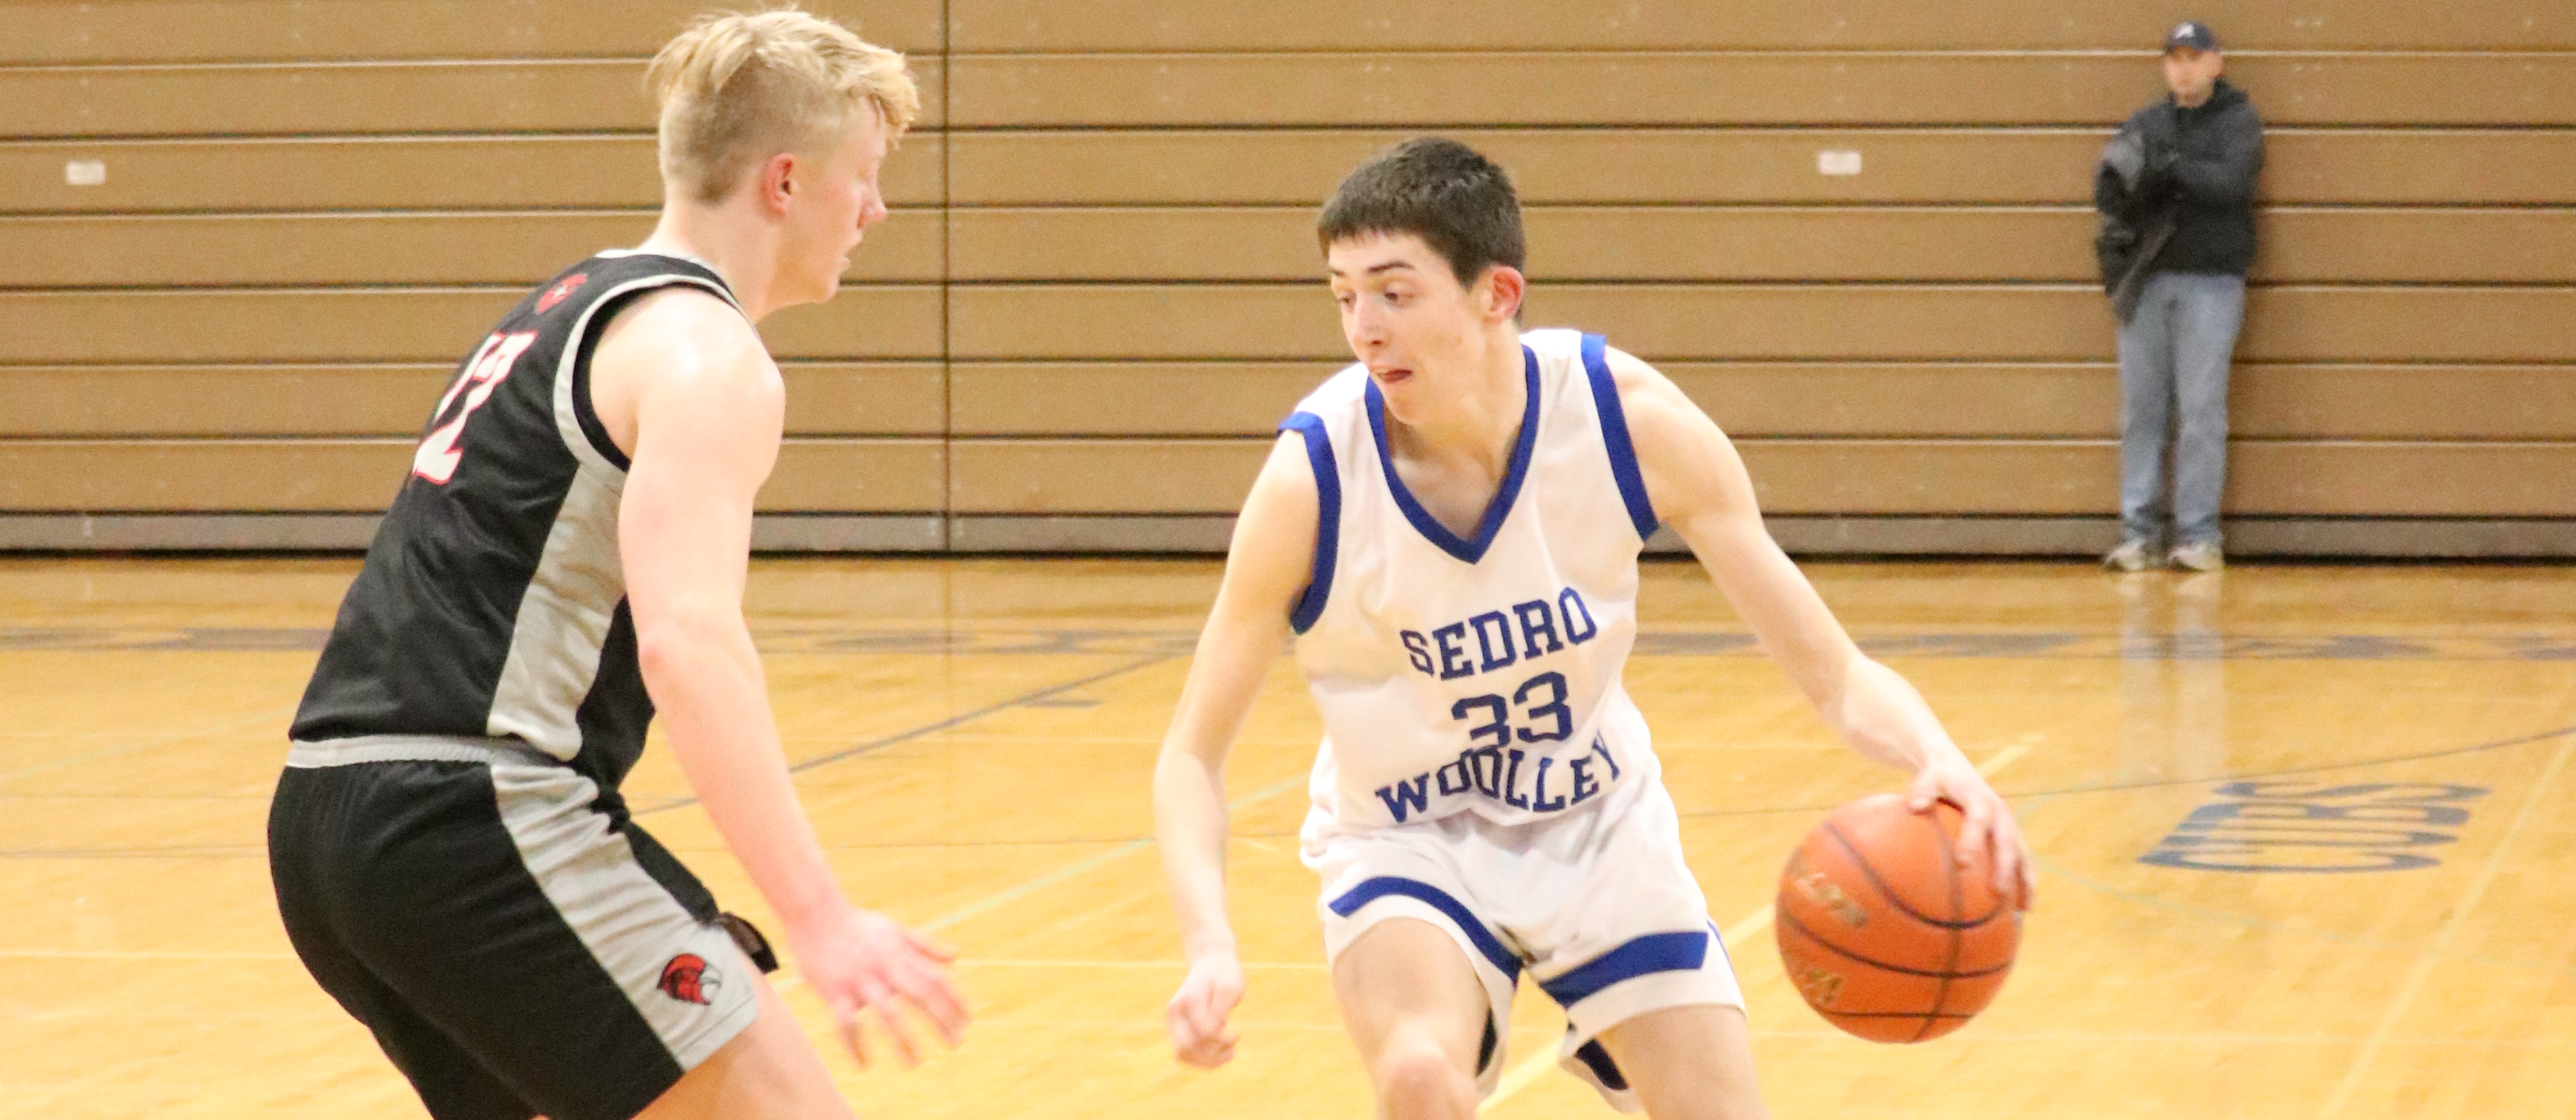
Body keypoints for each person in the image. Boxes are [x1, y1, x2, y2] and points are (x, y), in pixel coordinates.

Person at [1151, 138, 2037, 1119]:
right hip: (1407, 834)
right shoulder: (1310, 481)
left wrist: (1940, 754)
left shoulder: (1632, 422)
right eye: (1344, 294)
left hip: (1599, 821)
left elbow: (1834, 674)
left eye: (1395, 294)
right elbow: (1191, 753)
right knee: (1417, 1072)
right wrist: (1210, 943)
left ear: (1497, 294)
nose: (1363, 327)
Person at [265, 12, 966, 1119]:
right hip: (473, 815)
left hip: (326, 821)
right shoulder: (708, 354)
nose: (875, 209)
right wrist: (822, 915)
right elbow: (689, 642)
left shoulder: (577, 301)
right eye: (864, 177)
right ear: (785, 180)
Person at [2098, 20, 2265, 573]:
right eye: (2174, 58)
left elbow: (2231, 185)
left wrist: (2172, 170)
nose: (2184, 68)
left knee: (2200, 412)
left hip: (2212, 285)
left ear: (2216, 63)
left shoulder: (2239, 122)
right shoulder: (2146, 122)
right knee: (2142, 411)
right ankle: (2139, 535)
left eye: (2194, 57)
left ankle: (2198, 535)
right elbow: (2114, 188)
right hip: (2147, 286)